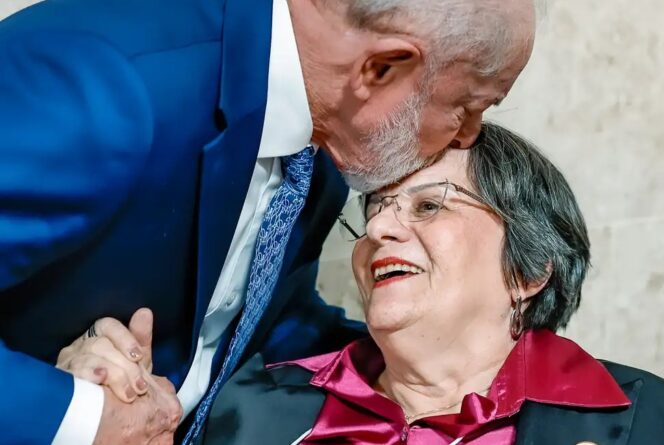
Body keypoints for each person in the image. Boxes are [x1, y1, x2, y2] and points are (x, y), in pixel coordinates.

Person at [0, 0, 535, 443]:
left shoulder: (321, 156)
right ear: (381, 68)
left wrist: (466, 366)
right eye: (469, 105)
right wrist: (81, 417)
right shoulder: (102, 84)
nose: (467, 135)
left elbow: (265, 322)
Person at [198, 122, 664, 444]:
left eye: (428, 206)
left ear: (528, 270)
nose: (379, 230)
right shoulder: (247, 409)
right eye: (375, 211)